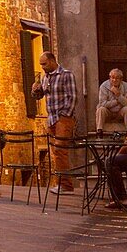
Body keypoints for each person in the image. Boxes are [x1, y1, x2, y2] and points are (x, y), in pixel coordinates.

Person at [30, 51, 77, 194]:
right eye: (41, 65)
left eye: (44, 64)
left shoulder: (66, 75)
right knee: (55, 152)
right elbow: (40, 96)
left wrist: (64, 116)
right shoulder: (45, 78)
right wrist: (35, 91)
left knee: (60, 151)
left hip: (63, 118)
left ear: (52, 61)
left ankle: (66, 186)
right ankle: (61, 183)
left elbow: (73, 97)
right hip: (51, 119)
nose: (42, 67)